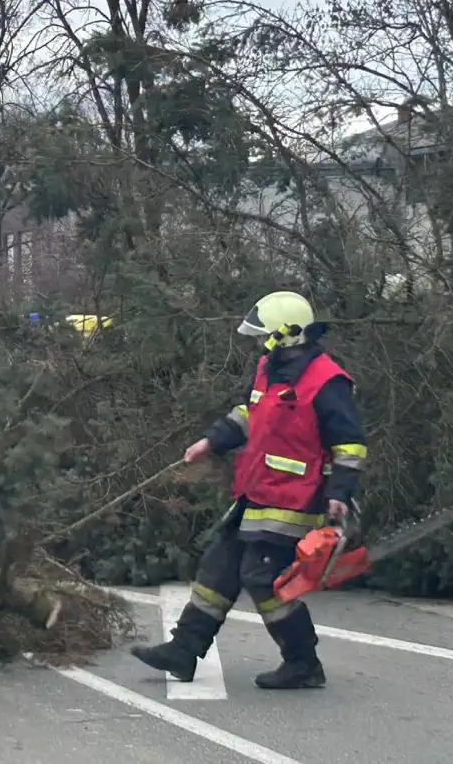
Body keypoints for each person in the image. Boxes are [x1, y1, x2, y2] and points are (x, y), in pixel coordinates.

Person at [130, 290, 367, 690]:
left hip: (295, 499)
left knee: (262, 577)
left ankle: (303, 663)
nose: (259, 343)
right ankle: (183, 651)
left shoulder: (327, 382)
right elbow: (247, 413)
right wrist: (212, 441)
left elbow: (351, 446)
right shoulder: (267, 369)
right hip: (256, 490)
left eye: (264, 335)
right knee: (219, 566)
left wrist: (340, 492)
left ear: (286, 334)